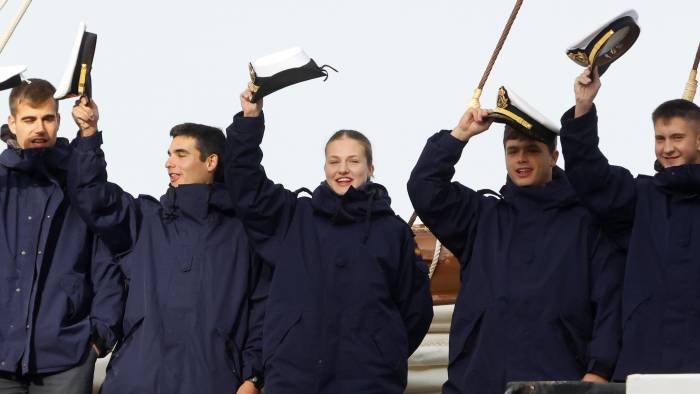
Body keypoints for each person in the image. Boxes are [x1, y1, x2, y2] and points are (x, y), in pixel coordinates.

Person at [407, 87, 625, 394]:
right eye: (512, 150)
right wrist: (460, 134)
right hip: (478, 382)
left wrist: (600, 371)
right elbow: (425, 188)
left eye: (532, 150)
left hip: (556, 382)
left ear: (553, 156)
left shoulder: (586, 226)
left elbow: (610, 303)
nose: (521, 159)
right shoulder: (481, 219)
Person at [224, 83, 433, 394]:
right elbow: (246, 186)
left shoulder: (393, 232)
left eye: (353, 161)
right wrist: (250, 120)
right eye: (334, 161)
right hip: (295, 378)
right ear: (324, 168)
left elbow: (416, 310)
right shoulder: (294, 218)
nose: (343, 169)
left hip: (369, 381)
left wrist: (382, 349)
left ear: (370, 168)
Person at [67, 98, 267, 394]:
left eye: (181, 154)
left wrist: (252, 377)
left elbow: (261, 310)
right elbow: (92, 195)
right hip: (137, 381)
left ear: (211, 162)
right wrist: (88, 134)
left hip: (211, 382)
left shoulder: (242, 233)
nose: (168, 162)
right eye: (169, 154)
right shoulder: (143, 220)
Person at [560, 66, 700, 379]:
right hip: (644, 368)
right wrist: (583, 107)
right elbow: (590, 176)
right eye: (660, 138)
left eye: (677, 137)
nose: (667, 148)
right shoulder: (640, 198)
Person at [0, 79, 123, 394]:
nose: (39, 127)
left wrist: (99, 337)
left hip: (66, 356)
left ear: (58, 120)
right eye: (29, 119)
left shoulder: (81, 182)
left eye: (48, 118)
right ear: (11, 123)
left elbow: (105, 261)